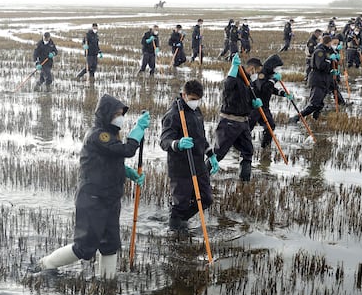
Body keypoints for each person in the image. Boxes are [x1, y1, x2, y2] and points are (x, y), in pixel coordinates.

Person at [33, 95, 151, 278]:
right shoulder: (98, 135)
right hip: (93, 199)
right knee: (85, 247)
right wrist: (137, 131)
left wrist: (125, 172)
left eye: (121, 114)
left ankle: (106, 283)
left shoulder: (111, 135)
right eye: (116, 114)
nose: (120, 117)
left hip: (111, 198)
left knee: (110, 244)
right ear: (106, 114)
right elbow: (125, 150)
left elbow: (108, 161)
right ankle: (46, 264)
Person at [159, 80, 218, 232]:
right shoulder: (173, 115)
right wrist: (177, 144)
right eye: (192, 99)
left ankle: (182, 221)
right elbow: (164, 141)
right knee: (180, 204)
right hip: (180, 167)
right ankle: (175, 233)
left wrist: (211, 155)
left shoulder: (197, 112)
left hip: (198, 163)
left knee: (206, 199)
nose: (195, 103)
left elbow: (201, 137)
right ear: (184, 95)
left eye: (198, 99)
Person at [212, 53, 262, 182]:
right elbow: (227, 87)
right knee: (218, 153)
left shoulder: (248, 82)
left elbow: (246, 101)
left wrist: (253, 105)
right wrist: (233, 68)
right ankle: (202, 178)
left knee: (248, 151)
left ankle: (244, 181)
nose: (257, 74)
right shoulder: (235, 79)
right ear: (252, 69)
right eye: (257, 71)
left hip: (243, 123)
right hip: (229, 122)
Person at [289, 34, 338, 124]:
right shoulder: (319, 52)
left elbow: (330, 62)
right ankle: (297, 117)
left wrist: (332, 69)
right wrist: (329, 61)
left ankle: (316, 119)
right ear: (329, 42)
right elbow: (320, 66)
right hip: (318, 80)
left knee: (320, 104)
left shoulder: (326, 51)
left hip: (324, 80)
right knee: (314, 103)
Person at [249, 55, 292, 149]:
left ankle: (265, 147)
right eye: (276, 67)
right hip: (255, 107)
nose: (277, 70)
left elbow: (271, 89)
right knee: (247, 128)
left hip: (264, 107)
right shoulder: (261, 75)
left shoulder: (269, 75)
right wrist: (274, 80)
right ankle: (237, 146)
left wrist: (282, 93)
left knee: (270, 127)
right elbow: (264, 88)